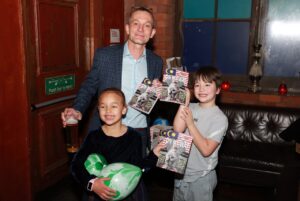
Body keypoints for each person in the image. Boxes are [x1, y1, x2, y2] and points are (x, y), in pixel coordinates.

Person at [61, 6, 163, 157]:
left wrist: (158, 94)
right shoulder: (105, 56)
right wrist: (77, 109)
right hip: (107, 131)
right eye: (136, 23)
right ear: (127, 28)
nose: (141, 29)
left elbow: (150, 103)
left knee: (134, 177)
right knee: (101, 177)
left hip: (139, 133)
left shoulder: (156, 62)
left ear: (152, 33)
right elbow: (89, 86)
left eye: (147, 25)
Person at [71, 88, 164, 201]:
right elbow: (76, 165)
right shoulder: (93, 137)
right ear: (98, 109)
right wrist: (92, 183)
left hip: (127, 195)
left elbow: (138, 167)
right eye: (103, 106)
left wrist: (154, 154)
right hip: (100, 193)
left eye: (114, 106)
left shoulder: (134, 137)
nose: (108, 111)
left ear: (124, 109)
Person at [172, 66, 228, 201]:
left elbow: (206, 150)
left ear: (218, 90)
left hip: (201, 178)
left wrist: (191, 124)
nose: (201, 89)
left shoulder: (219, 118)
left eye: (207, 85)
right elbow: (177, 131)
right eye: (197, 85)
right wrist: (184, 103)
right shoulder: (190, 107)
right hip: (180, 172)